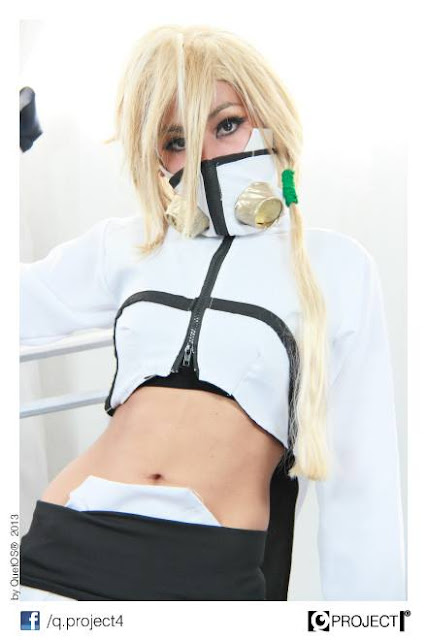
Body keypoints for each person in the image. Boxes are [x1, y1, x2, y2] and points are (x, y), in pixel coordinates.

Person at [19, 24, 406, 601]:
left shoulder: (336, 266)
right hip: (61, 540)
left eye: (226, 125)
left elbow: (363, 489)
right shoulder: (129, 245)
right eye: (176, 141)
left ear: (270, 118)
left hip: (204, 566)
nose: (203, 158)